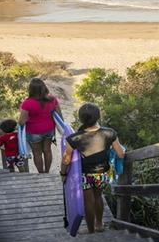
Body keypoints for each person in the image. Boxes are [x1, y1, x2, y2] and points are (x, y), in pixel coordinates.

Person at [61, 103, 125, 234]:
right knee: (98, 196)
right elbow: (120, 154)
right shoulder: (110, 133)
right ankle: (99, 224)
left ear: (81, 119)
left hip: (84, 175)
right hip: (102, 173)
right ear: (98, 117)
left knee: (87, 201)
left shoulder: (74, 138)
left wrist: (63, 173)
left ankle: (90, 230)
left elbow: (66, 160)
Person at [19, 78, 62, 173]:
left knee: (37, 153)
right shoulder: (52, 99)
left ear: (31, 90)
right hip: (49, 130)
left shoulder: (27, 103)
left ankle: (41, 173)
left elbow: (22, 121)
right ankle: (47, 171)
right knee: (47, 150)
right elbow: (60, 117)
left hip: (34, 132)